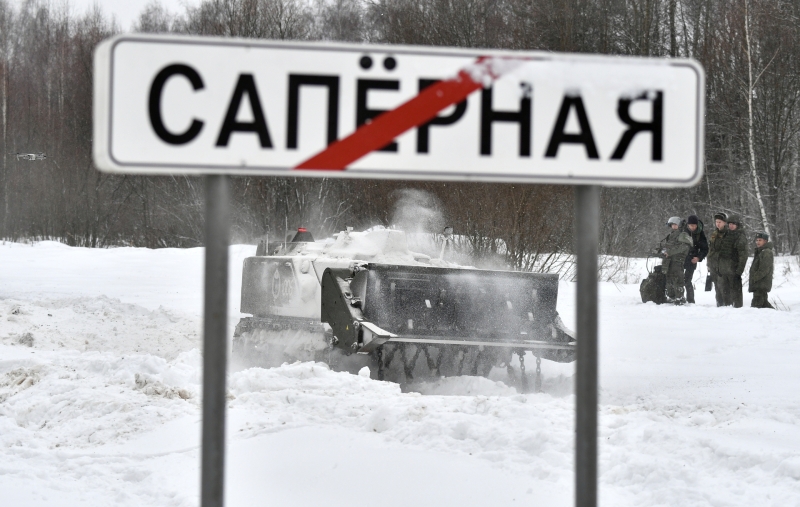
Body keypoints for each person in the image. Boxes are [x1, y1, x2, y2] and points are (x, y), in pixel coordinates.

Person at [717, 213, 748, 308]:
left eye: (733, 224)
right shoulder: (726, 235)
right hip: (724, 269)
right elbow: (721, 253)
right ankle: (727, 308)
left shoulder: (740, 237)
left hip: (734, 269)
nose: (731, 226)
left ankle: (737, 310)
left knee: (736, 293)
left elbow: (743, 256)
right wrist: (719, 268)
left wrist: (739, 271)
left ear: (737, 225)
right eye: (729, 224)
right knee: (725, 292)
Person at [662, 216, 693, 304]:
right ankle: (672, 296)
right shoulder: (671, 235)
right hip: (668, 261)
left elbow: (684, 247)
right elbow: (665, 245)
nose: (674, 226)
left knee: (677, 279)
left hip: (677, 260)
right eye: (672, 225)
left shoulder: (683, 234)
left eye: (675, 224)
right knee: (669, 279)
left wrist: (670, 252)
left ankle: (679, 298)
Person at [683, 215, 708, 304]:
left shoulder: (700, 233)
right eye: (691, 225)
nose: (693, 227)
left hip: (692, 258)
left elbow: (705, 249)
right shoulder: (683, 231)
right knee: (677, 279)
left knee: (687, 280)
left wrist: (698, 257)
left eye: (694, 225)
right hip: (680, 258)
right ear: (688, 225)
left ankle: (690, 300)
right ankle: (678, 298)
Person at [706, 212, 728, 306]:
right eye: (716, 222)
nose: (717, 224)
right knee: (716, 286)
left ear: (725, 223)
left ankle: (726, 304)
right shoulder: (714, 233)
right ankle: (719, 304)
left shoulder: (728, 234)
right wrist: (708, 263)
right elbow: (710, 249)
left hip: (723, 264)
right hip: (713, 264)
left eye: (720, 222)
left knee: (723, 285)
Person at [748, 231, 774, 309]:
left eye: (760, 240)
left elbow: (764, 269)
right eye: (757, 240)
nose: (758, 242)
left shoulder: (766, 252)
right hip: (759, 284)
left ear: (765, 241)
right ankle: (777, 316)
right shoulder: (761, 251)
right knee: (764, 305)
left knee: (756, 307)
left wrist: (755, 278)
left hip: (761, 284)